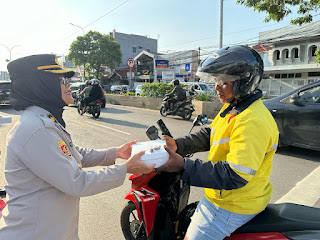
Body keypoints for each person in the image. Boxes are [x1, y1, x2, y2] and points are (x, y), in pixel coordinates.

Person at [0, 54, 155, 240]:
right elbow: (76, 182)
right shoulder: (34, 129)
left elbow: (74, 154)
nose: (68, 85)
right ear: (40, 84)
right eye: (61, 80)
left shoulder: (45, 121)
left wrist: (115, 153)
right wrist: (126, 168)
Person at [158, 45, 279, 240]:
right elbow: (211, 134)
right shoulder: (235, 108)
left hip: (232, 205)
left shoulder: (252, 121)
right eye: (216, 80)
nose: (216, 87)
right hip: (224, 197)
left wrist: (182, 165)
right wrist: (178, 145)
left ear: (244, 83)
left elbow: (234, 175)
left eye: (223, 82)